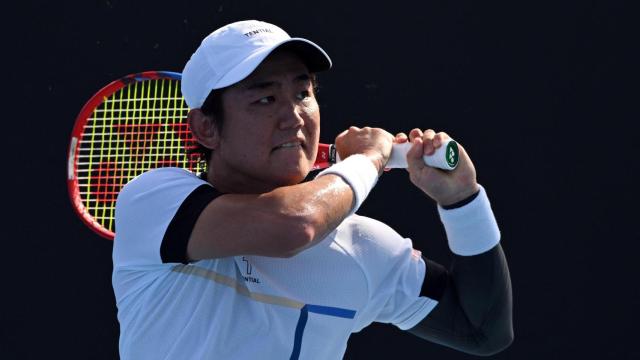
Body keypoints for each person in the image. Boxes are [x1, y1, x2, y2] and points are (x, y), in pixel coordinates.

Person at [112, 19, 513, 359]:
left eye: (303, 93)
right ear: (205, 127)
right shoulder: (153, 200)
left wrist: (462, 201)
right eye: (266, 98)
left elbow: (482, 330)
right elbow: (294, 225)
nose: (294, 117)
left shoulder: (362, 248)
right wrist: (368, 159)